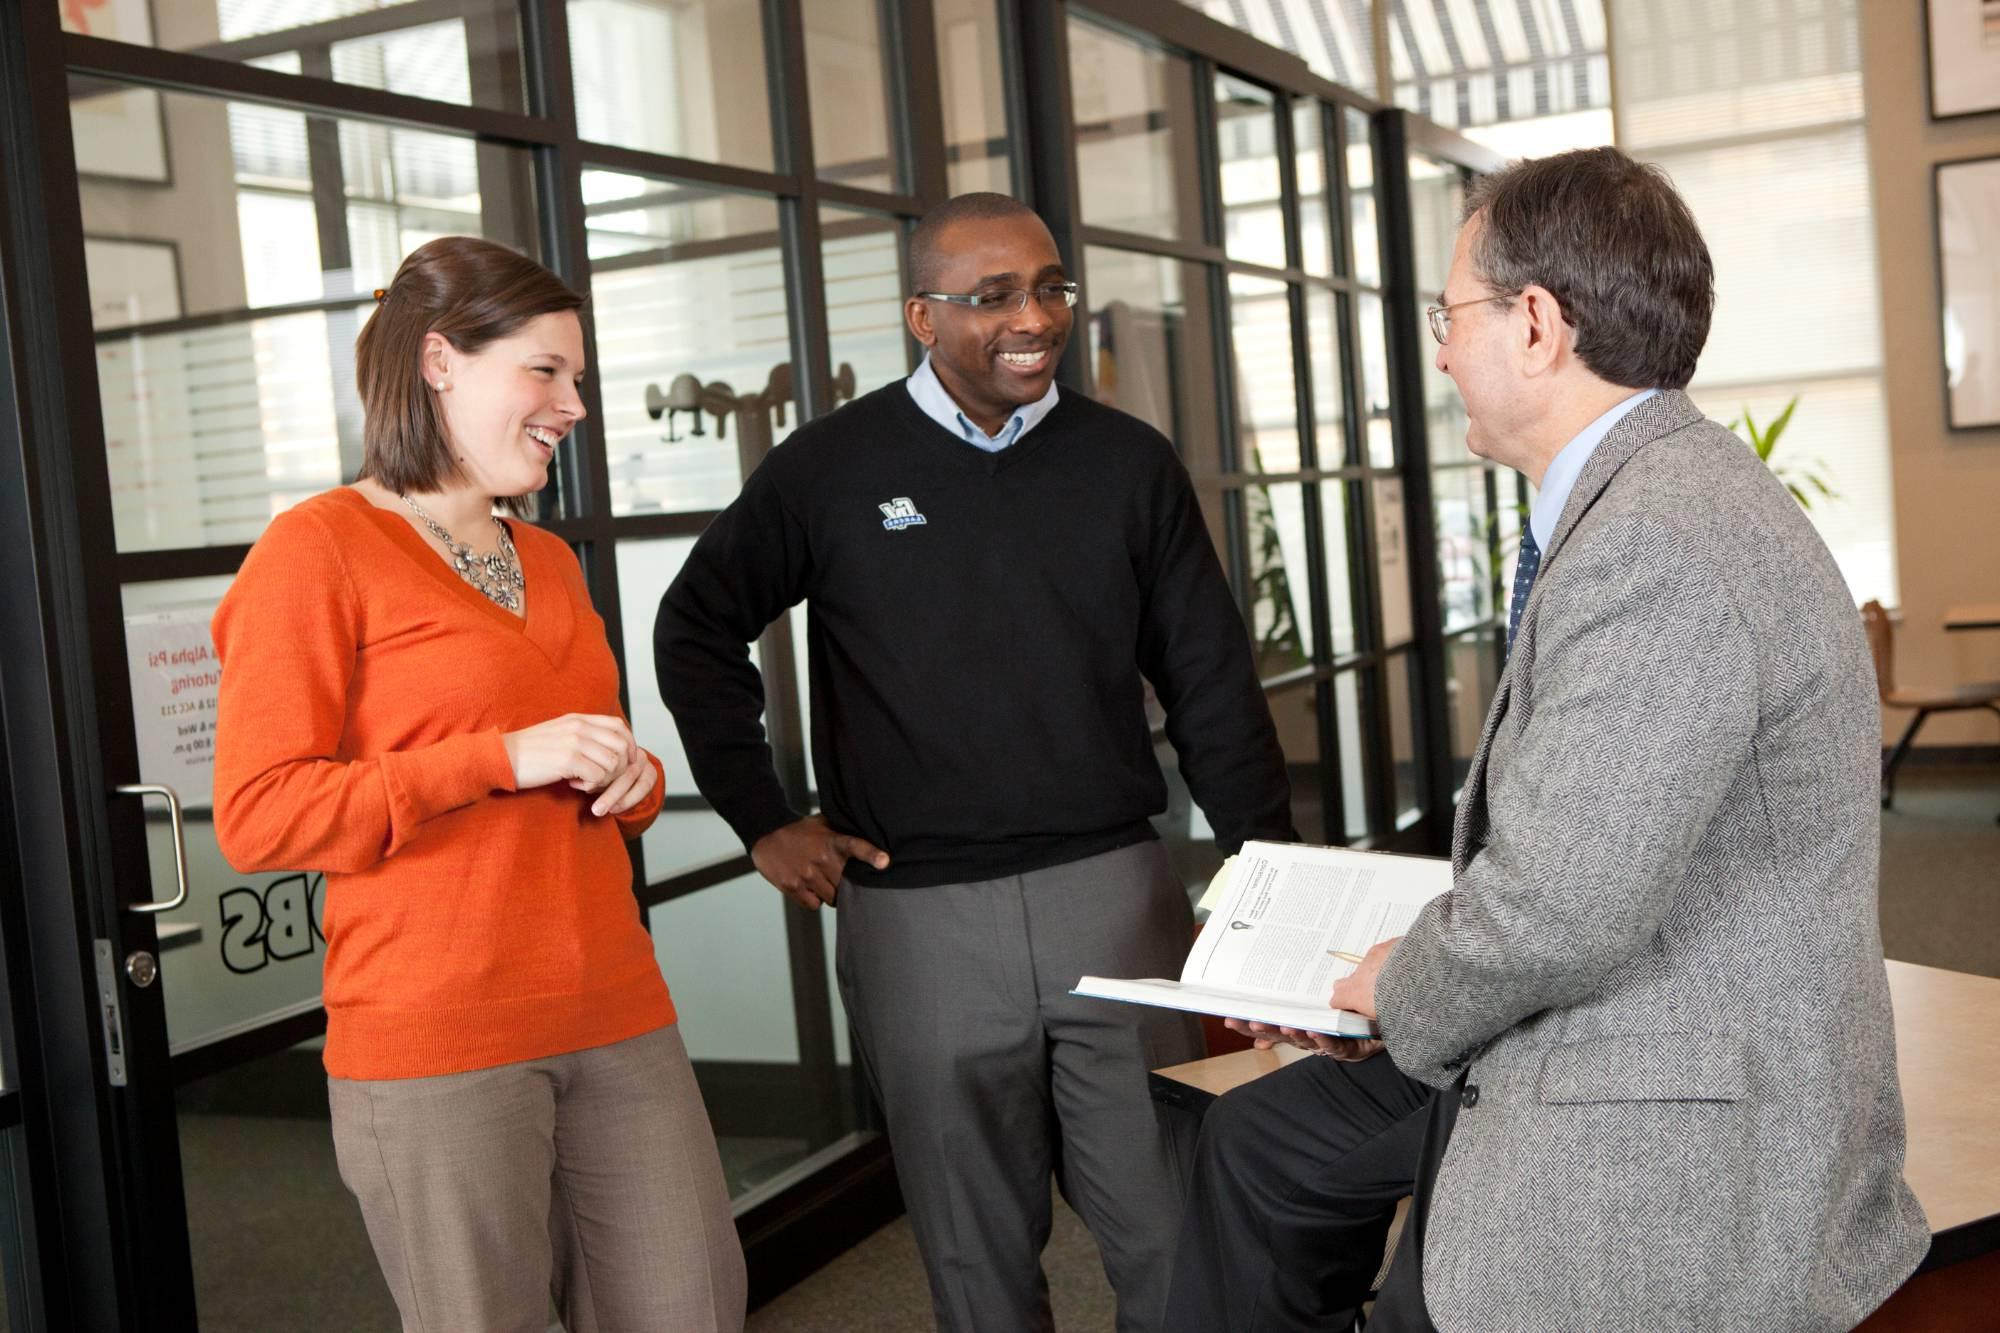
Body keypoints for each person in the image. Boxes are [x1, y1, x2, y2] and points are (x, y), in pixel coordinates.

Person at [1165, 147, 1929, 1333]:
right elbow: (1576, 856)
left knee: (1424, 1279)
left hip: (1682, 1094)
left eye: (1449, 314)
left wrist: (1396, 988)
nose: (1437, 348)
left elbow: (1561, 911)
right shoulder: (1645, 494)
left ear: (1533, 325)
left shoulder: (1658, 541)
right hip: (1627, 1013)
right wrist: (1385, 980)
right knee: (1262, 1143)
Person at [655, 192, 1296, 1332]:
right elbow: (694, 626)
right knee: (974, 1259)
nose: (1033, 316)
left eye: (1049, 286)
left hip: (1113, 903)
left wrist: (1271, 897)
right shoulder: (830, 469)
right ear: (921, 316)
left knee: (1174, 1234)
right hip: (919, 921)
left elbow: (1211, 683)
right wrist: (761, 812)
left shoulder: (1125, 464)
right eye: (991, 295)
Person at [211, 236, 746, 1333]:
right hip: (435, 1035)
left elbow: (598, 763)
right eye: (544, 372)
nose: (574, 404)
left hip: (614, 1008)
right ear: (441, 362)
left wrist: (628, 774)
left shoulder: (545, 558)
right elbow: (261, 813)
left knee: (690, 1305)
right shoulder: (314, 550)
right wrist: (499, 758)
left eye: (578, 378)